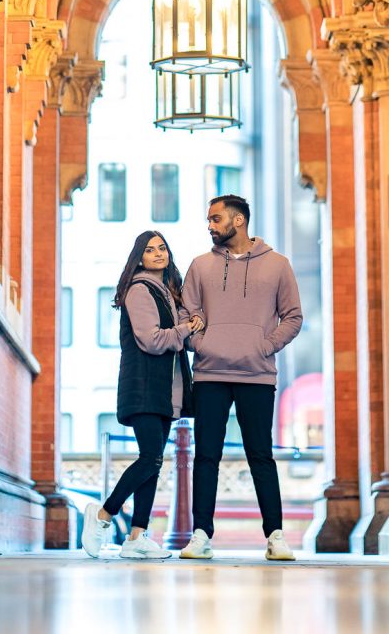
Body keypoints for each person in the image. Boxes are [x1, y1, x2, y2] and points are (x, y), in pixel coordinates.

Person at [178, 194, 303, 562]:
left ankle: (275, 536)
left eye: (216, 219)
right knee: (207, 457)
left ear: (238, 221)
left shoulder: (278, 265)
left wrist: (264, 347)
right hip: (210, 373)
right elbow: (187, 315)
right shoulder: (200, 266)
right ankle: (200, 535)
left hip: (257, 374)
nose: (210, 226)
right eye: (209, 219)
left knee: (260, 455)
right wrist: (201, 344)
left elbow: (293, 317)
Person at [81, 231, 204, 560]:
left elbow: (182, 333)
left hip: (164, 391)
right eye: (150, 250)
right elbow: (152, 340)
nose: (158, 254)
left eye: (162, 248)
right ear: (140, 258)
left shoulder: (167, 291)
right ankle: (103, 515)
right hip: (144, 387)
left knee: (154, 461)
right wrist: (185, 329)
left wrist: (190, 323)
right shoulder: (139, 289)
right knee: (150, 458)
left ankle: (136, 536)